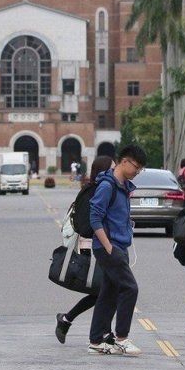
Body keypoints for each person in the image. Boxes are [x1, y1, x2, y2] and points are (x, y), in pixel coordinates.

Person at [87, 145, 147, 356]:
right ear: (124, 161)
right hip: (109, 247)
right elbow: (94, 218)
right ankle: (121, 338)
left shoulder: (123, 185)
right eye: (136, 167)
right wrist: (108, 246)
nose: (137, 172)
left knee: (109, 293)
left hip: (120, 245)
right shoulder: (107, 185)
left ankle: (96, 340)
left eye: (140, 170)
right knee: (130, 288)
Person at [55, 156, 117, 344]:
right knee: (107, 289)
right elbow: (87, 225)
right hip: (93, 247)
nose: (115, 172)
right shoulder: (94, 192)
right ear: (103, 170)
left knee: (105, 290)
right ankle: (103, 332)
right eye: (112, 169)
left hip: (99, 245)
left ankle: (67, 319)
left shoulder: (96, 189)